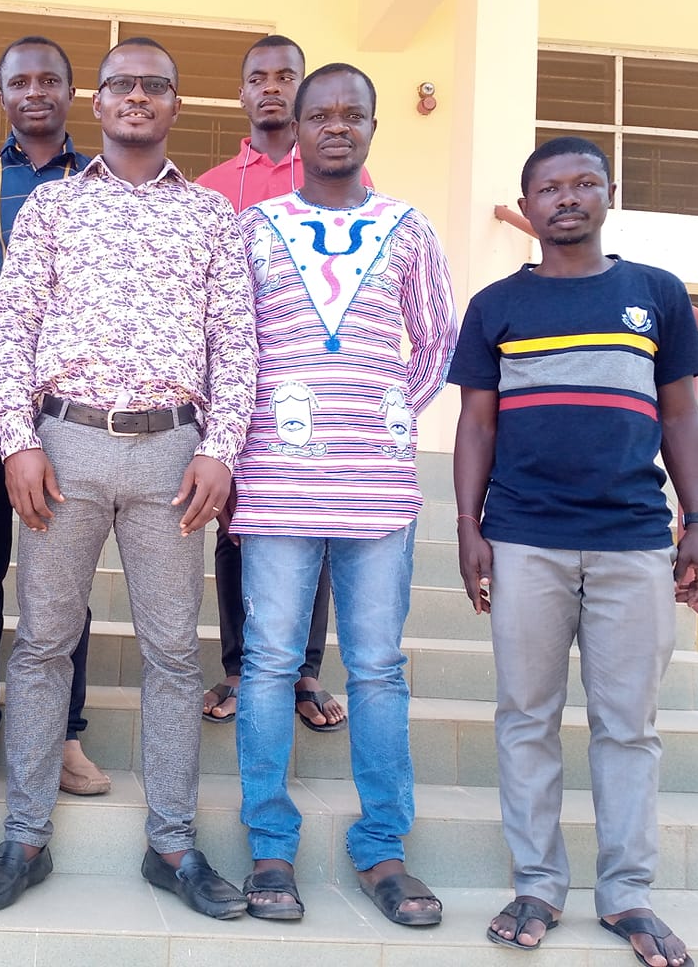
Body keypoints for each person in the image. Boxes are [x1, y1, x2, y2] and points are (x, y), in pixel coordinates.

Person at [0, 37, 257, 920]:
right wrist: (17, 440)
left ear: (175, 104)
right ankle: (24, 838)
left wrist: (221, 449)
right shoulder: (53, 210)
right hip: (67, 448)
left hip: (173, 454)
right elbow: (10, 333)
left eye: (155, 86)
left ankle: (172, 845)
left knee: (173, 652)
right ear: (99, 102)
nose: (137, 97)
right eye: (123, 85)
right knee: (46, 642)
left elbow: (234, 346)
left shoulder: (212, 218)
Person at [450, 136, 698, 966]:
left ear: (608, 195)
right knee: (525, 716)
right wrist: (468, 525)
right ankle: (536, 881)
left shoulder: (655, 295)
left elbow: (680, 416)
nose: (566, 198)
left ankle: (627, 894)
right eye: (549, 188)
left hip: (633, 540)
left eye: (583, 184)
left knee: (626, 725)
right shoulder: (496, 306)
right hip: (525, 537)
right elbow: (477, 423)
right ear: (525, 208)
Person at [230, 63, 456, 923]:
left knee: (376, 668)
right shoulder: (253, 230)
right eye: (316, 114)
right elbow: (230, 345)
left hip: (378, 488)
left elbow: (439, 337)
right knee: (269, 665)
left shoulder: (409, 227)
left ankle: (384, 850)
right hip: (278, 482)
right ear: (293, 123)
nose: (333, 126)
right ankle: (270, 848)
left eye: (349, 114)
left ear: (370, 126)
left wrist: (393, 409)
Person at [195, 34, 371, 733]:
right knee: (236, 526)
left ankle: (303, 671)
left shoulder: (341, 179)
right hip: (238, 389)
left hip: (316, 388)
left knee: (316, 529)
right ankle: (240, 666)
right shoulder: (210, 188)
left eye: (285, 77)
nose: (271, 87)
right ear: (241, 94)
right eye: (258, 78)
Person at [0, 35, 108, 797]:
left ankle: (63, 732)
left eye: (51, 78)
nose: (35, 90)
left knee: (62, 579)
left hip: (74, 408)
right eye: (20, 80)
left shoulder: (106, 186)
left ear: (74, 93)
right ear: (2, 95)